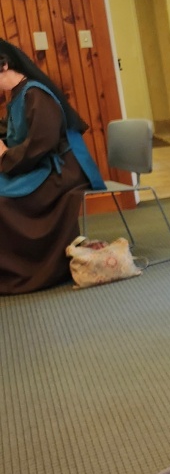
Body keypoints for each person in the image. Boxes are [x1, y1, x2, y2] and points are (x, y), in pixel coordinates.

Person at [0, 39, 104, 294]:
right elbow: (14, 132)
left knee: (2, 200)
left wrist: (4, 157)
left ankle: (26, 272)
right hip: (39, 165)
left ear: (3, 65)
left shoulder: (36, 94)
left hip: (62, 172)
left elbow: (40, 144)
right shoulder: (17, 95)